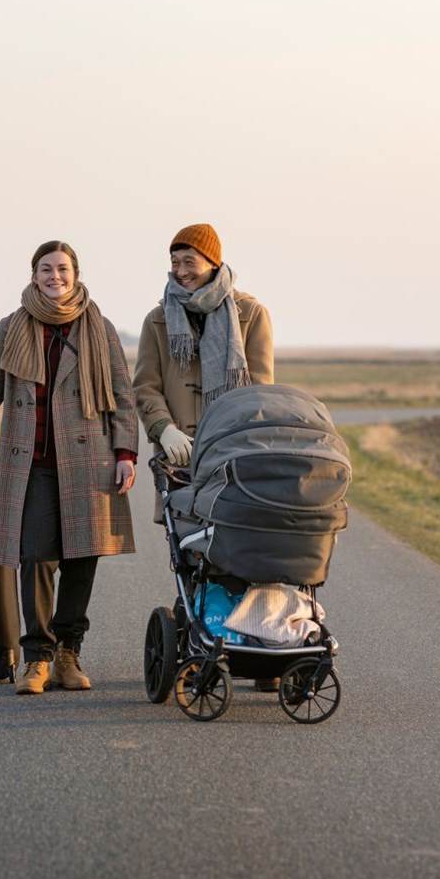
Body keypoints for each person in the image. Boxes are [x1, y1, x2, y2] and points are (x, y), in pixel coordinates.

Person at [0, 240, 138, 695]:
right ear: (33, 275)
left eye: (62, 269)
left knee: (82, 557)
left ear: (75, 274)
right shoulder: (13, 327)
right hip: (32, 460)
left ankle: (68, 655)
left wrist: (125, 454)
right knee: (36, 555)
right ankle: (36, 657)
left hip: (88, 459)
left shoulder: (100, 328)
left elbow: (121, 397)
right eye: (46, 269)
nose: (54, 277)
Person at [133, 222, 276, 688]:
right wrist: (163, 428)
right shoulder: (158, 319)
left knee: (242, 548)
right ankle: (202, 639)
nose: (180, 271)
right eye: (174, 263)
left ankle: (257, 644)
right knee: (193, 549)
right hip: (180, 458)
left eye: (188, 262)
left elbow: (261, 389)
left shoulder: (251, 313)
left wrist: (236, 437)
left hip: (234, 453)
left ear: (212, 262)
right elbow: (145, 387)